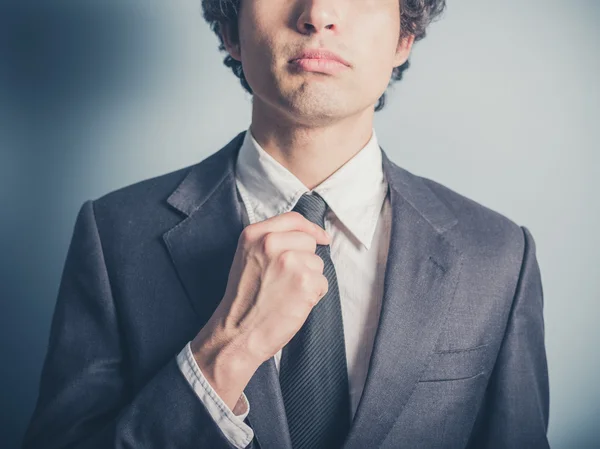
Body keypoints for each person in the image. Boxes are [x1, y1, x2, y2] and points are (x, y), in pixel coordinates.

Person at [22, 0, 550, 448]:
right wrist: (230, 348)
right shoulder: (113, 235)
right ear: (230, 29)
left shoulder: (499, 255)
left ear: (403, 37)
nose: (317, 14)